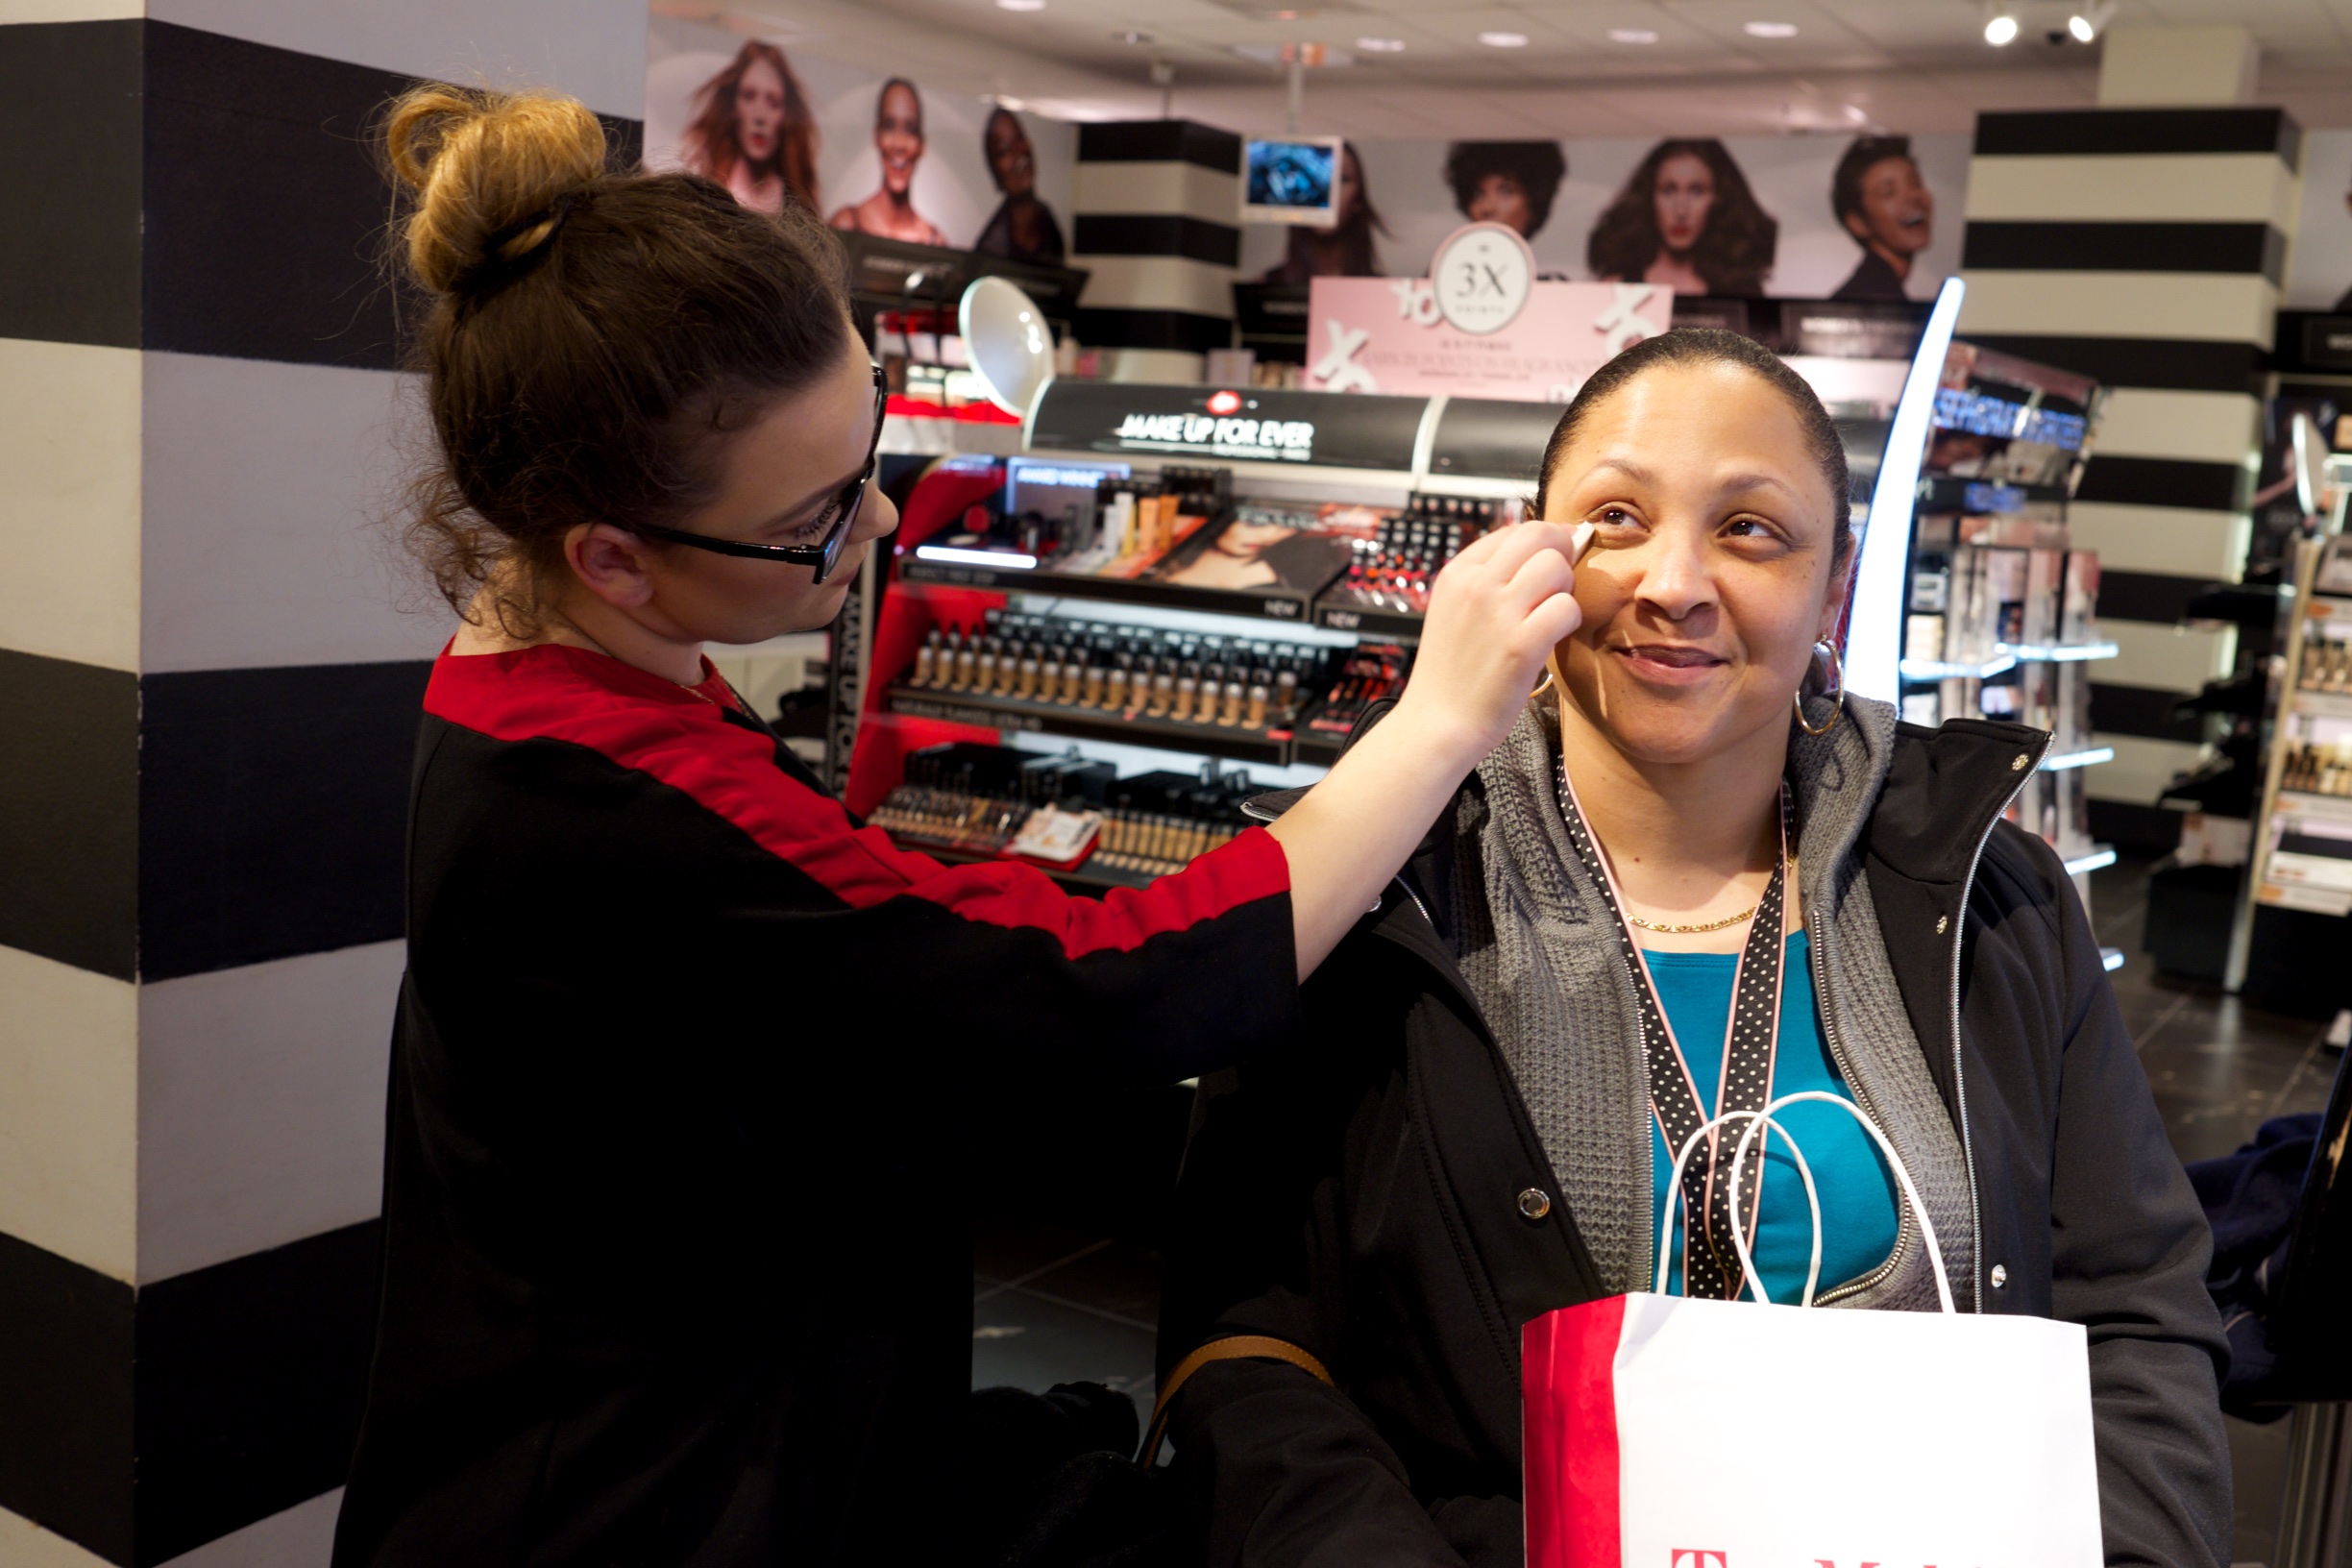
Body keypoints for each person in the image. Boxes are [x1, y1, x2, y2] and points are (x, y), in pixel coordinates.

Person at [332, 86, 1585, 1568]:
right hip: (622, 1508)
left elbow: (833, 948)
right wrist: (1439, 720)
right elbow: (1100, 980)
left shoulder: (547, 663)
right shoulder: (598, 801)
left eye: (869, 454)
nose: (874, 527)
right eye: (814, 513)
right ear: (610, 555)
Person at [1156, 329, 2232, 1567]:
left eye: (1750, 530)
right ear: (1533, 549)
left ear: (1837, 585)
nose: (1674, 582)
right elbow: (1245, 1339)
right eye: (1616, 516)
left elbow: (2137, 1301)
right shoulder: (1375, 894)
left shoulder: (1991, 895)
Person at [1588, 138, 1776, 297]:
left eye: (1696, 191)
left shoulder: (1740, 294)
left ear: (1719, 199)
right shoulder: (1615, 289)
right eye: (1669, 190)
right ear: (1650, 197)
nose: (1681, 211)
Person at [677, 38, 819, 215]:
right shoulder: (706, 191)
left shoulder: (798, 206)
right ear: (734, 106)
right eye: (749, 96)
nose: (759, 116)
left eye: (773, 102)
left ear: (786, 114)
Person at [828, 77, 949, 246]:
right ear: (876, 136)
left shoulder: (934, 240)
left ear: (922, 144)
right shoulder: (846, 223)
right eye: (889, 126)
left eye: (910, 129)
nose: (899, 144)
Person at [1260, 141, 1386, 282]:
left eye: (1342, 179)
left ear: (1357, 200)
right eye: (1315, 176)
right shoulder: (1264, 287)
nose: (1328, 191)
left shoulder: (1385, 293)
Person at [1830, 135, 1933, 302]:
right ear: (1858, 222)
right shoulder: (1872, 298)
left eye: (1915, 183)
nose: (1912, 197)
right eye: (1888, 192)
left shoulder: (1879, 288)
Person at [973, 106, 1066, 265]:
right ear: (995, 174)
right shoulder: (990, 246)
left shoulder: (1047, 220)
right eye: (1004, 150)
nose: (1019, 154)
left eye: (1019, 138)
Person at [1443, 140, 1567, 240]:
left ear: (1535, 198)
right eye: (1477, 194)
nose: (1487, 208)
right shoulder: (1444, 269)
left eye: (1506, 191)